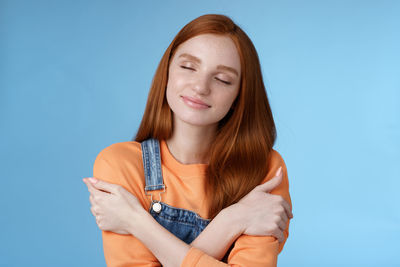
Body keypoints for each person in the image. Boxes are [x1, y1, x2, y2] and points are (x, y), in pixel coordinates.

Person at [83, 14, 293, 266]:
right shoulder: (121, 164)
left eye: (222, 79)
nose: (200, 86)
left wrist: (134, 221)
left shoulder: (264, 168)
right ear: (167, 71)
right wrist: (233, 221)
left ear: (240, 95)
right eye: (188, 67)